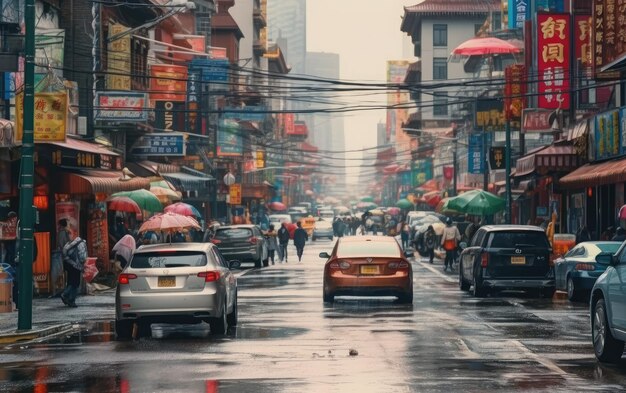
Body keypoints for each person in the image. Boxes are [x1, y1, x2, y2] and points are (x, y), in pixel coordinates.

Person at [61, 234, 87, 307]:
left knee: (70, 281)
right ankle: (68, 297)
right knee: (76, 283)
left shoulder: (72, 242)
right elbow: (82, 256)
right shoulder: (82, 243)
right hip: (76, 265)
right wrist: (83, 263)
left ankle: (69, 298)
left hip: (68, 263)